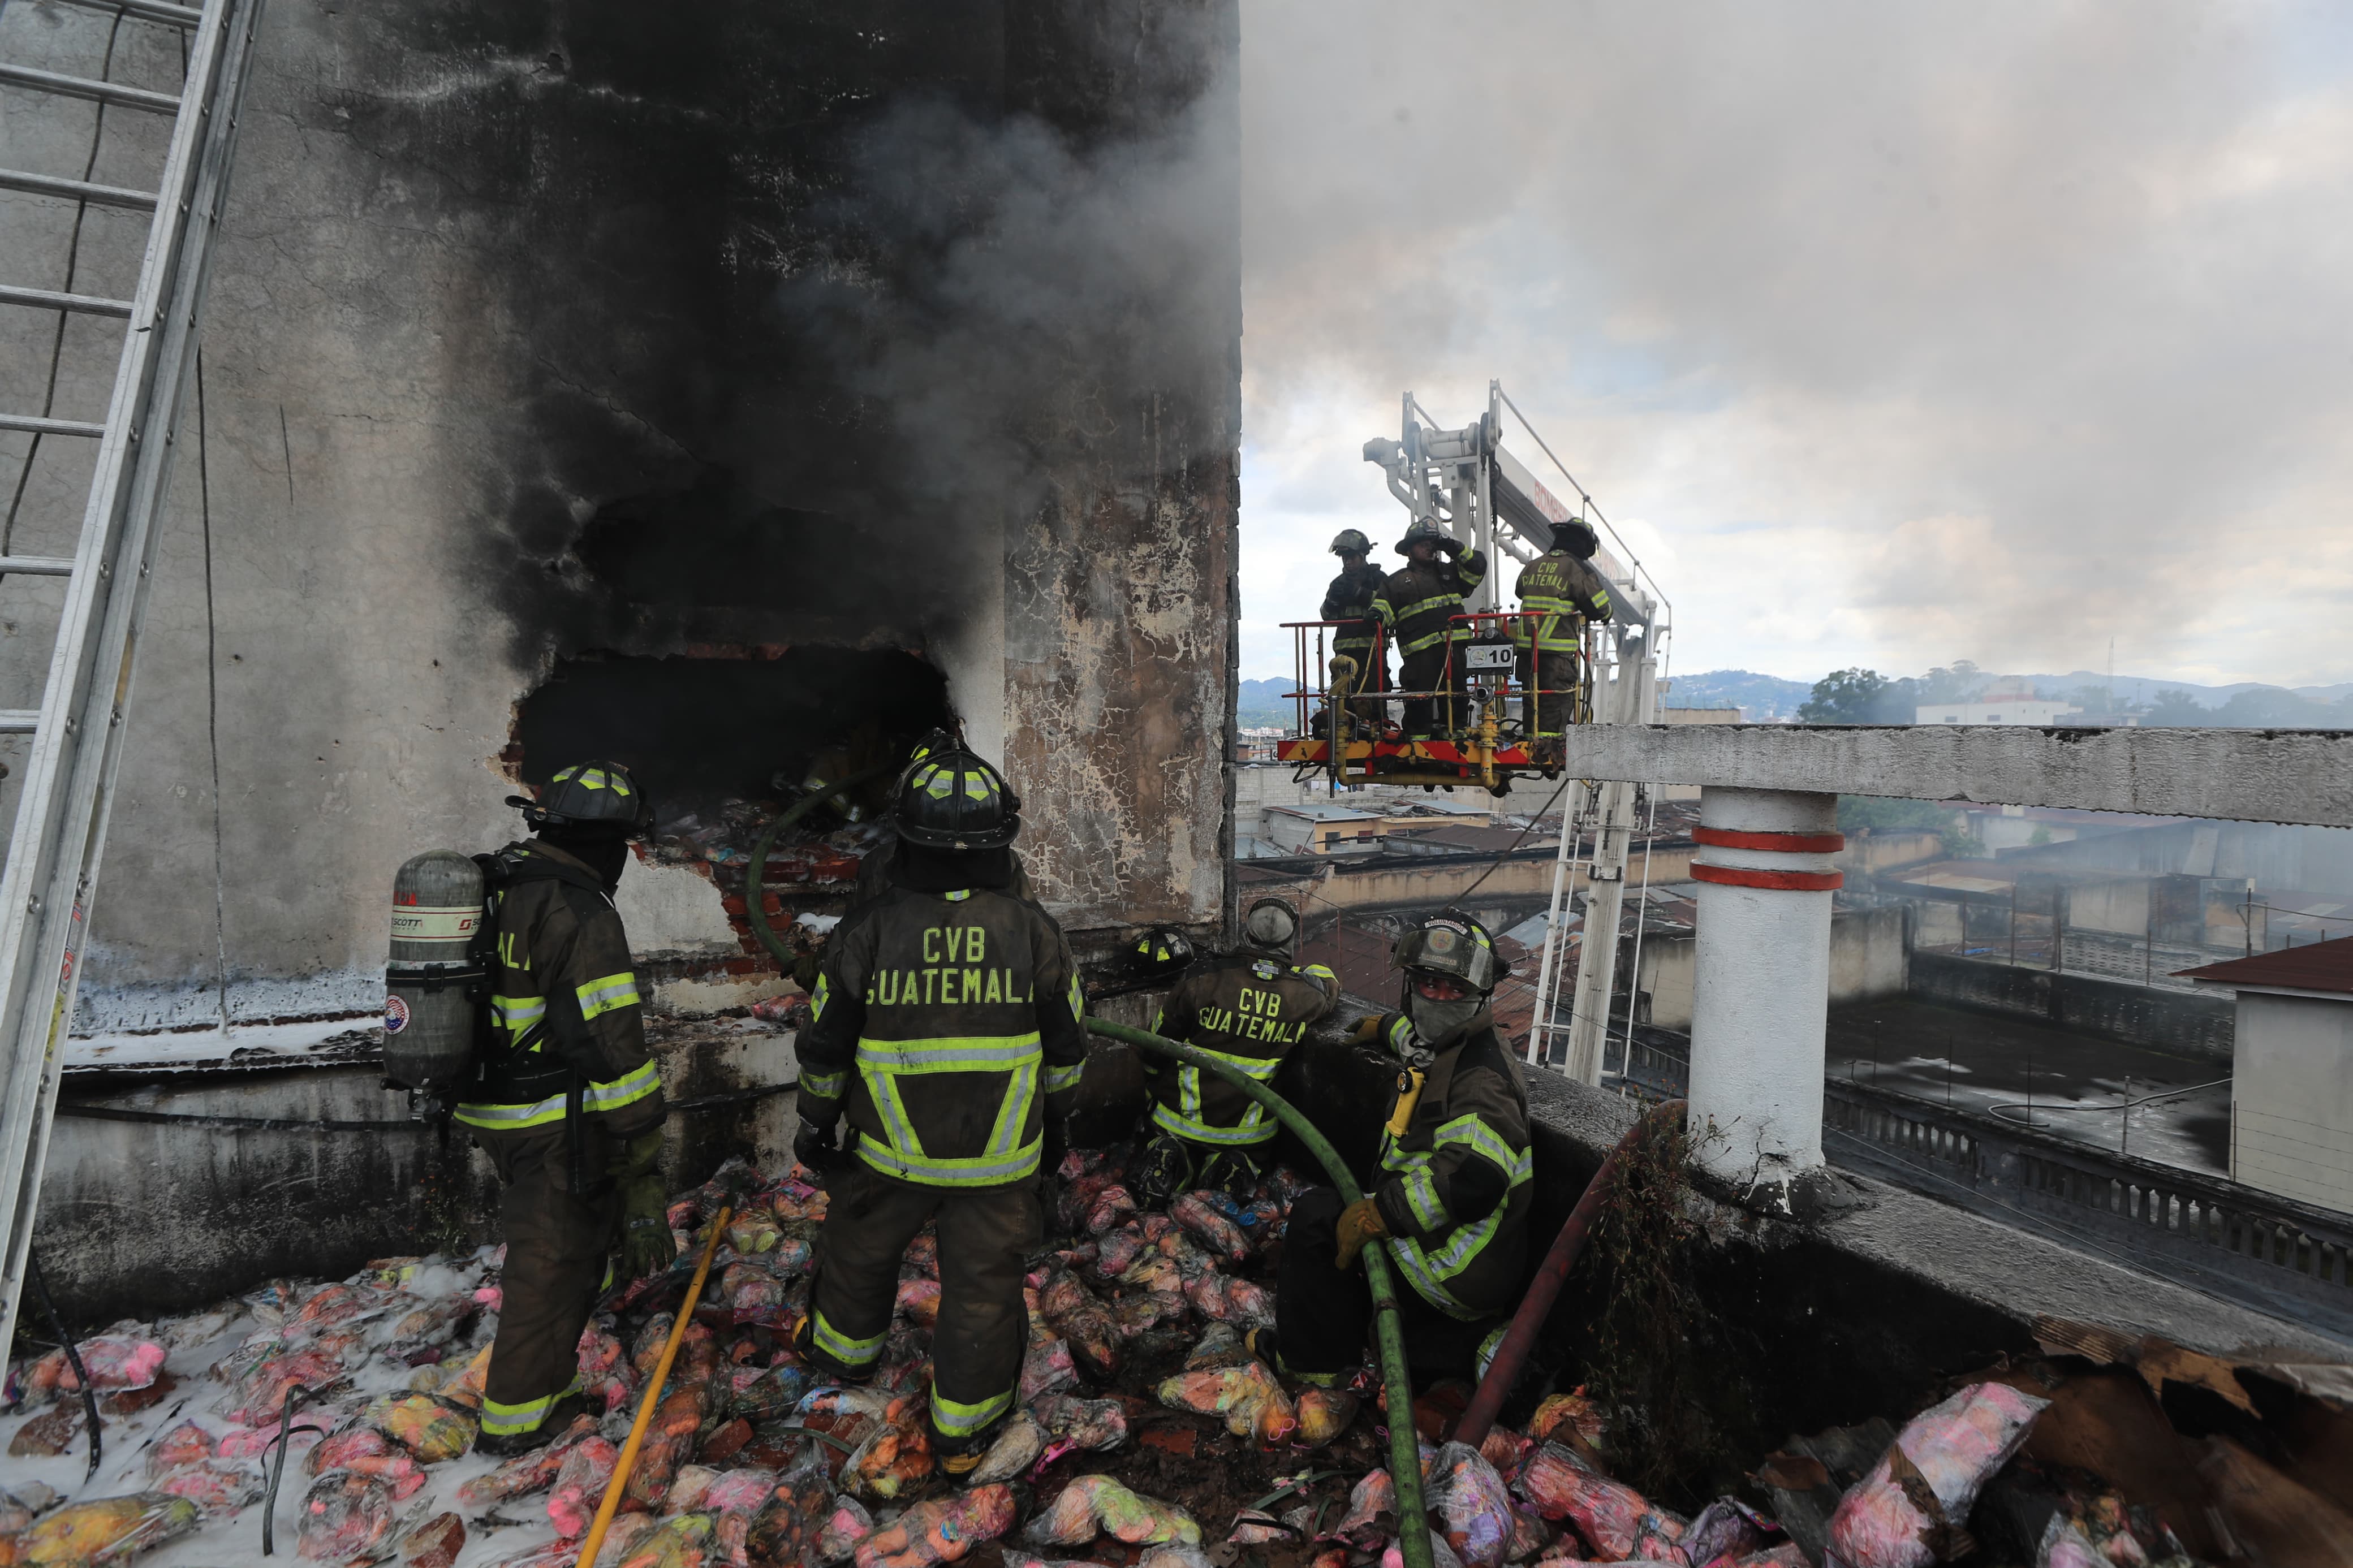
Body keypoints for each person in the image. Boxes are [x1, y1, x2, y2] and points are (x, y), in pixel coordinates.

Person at [792, 744, 1088, 1475]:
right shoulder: (1034, 931)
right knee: (983, 1287)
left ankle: (841, 1364)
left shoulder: (866, 933)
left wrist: (816, 1121)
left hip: (886, 1154)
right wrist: (1055, 1129)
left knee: (858, 1253)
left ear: (906, 840)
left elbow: (825, 1049)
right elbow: (1069, 1051)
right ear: (1002, 841)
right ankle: (964, 1432)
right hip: (998, 1161)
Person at [463, 761, 671, 1457]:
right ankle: (516, 1420)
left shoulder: (501, 880)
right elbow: (610, 1041)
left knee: (572, 1231)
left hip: (491, 1100)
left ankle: (592, 1302)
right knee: (545, 1262)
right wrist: (643, 1131)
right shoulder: (577, 908)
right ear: (606, 842)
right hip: (546, 1112)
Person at [1260, 909, 1531, 1386]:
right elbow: (1414, 1033)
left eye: (1455, 989)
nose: (1439, 998)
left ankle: (1310, 1366)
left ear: (1480, 996)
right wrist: (1381, 1027)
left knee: (1318, 1219)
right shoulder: (1444, 1039)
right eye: (1428, 983)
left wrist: (1378, 1215)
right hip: (1453, 1246)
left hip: (1455, 1262)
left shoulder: (1482, 1080)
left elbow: (1476, 1179)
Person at [1132, 899, 1337, 1206]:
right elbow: (1327, 983)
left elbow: (1154, 1047)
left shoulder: (1202, 979)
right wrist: (1294, 972)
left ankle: (1174, 1154)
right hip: (1247, 1135)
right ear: (1290, 940)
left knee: (1169, 1141)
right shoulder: (1305, 997)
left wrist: (1151, 1091)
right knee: (1242, 1163)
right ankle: (1235, 1166)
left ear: (1247, 934)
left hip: (1177, 1119)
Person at [1372, 519, 1488, 737]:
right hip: (1419, 656)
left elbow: (1478, 567)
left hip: (1454, 649)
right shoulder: (1396, 582)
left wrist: (1453, 547)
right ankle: (1418, 745)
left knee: (1457, 695)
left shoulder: (1452, 573)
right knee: (1419, 701)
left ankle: (1456, 737)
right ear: (1408, 550)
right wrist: (1376, 615)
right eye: (1421, 543)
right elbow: (1382, 607)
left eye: (1431, 542)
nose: (1428, 546)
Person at [1509, 519, 1613, 735]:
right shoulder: (1577, 569)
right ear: (1585, 544)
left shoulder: (1534, 565)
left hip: (1527, 651)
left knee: (1532, 701)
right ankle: (1549, 752)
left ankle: (1531, 742)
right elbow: (1601, 609)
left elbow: (1520, 591)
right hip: (1557, 655)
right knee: (1555, 704)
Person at [1320, 529, 1390, 725]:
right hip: (1344, 654)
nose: (1347, 562)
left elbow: (1391, 606)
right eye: (1344, 558)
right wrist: (1332, 601)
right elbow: (1327, 617)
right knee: (1345, 699)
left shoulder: (1379, 579)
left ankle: (1378, 729)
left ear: (1362, 555)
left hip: (1372, 653)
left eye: (1351, 557)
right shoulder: (1338, 584)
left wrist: (1362, 594)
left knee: (1376, 695)